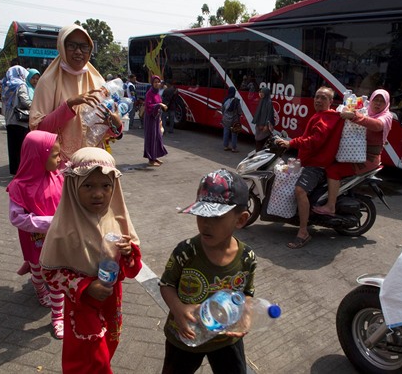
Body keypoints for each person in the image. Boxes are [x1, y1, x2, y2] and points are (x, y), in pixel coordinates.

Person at [40, 147, 142, 373]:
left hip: (111, 299)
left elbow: (132, 268)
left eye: (106, 186)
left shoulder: (116, 218)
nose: (98, 194)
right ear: (73, 185)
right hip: (82, 305)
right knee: (91, 358)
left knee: (108, 345)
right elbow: (50, 272)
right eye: (88, 186)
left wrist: (127, 252)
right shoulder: (63, 228)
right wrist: (85, 286)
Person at [159, 169, 256, 374]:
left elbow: (246, 293)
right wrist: (178, 309)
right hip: (185, 337)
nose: (205, 224)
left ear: (240, 220)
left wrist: (245, 315)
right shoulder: (186, 251)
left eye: (216, 217)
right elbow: (166, 284)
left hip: (226, 340)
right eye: (201, 214)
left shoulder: (247, 258)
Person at [29, 23, 123, 165]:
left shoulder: (97, 80)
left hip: (93, 163)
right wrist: (69, 105)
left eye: (84, 47)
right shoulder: (48, 81)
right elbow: (38, 130)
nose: (79, 51)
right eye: (72, 46)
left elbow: (107, 133)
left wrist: (115, 124)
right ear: (62, 46)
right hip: (60, 166)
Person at [6, 130, 65, 339]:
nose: (60, 160)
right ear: (38, 156)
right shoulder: (19, 186)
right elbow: (16, 218)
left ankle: (58, 316)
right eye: (55, 156)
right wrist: (49, 222)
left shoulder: (58, 176)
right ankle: (39, 289)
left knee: (57, 277)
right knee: (38, 272)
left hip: (57, 241)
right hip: (34, 242)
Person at [276, 87, 345, 249]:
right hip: (306, 160)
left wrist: (291, 143)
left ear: (330, 102)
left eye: (323, 98)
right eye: (317, 97)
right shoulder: (320, 116)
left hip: (316, 165)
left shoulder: (327, 118)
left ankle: (303, 232)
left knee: (300, 190)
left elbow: (315, 141)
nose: (319, 100)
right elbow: (309, 139)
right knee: (284, 173)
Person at [313, 89, 393, 216]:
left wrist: (354, 116)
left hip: (367, 159)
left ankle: (330, 206)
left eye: (381, 101)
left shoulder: (386, 117)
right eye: (375, 100)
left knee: (334, 170)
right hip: (354, 154)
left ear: (387, 104)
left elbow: (377, 125)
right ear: (371, 100)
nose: (378, 104)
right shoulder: (366, 111)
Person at [2, 65, 31, 174]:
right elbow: (24, 100)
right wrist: (35, 106)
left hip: (9, 120)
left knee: (12, 146)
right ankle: (21, 171)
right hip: (19, 120)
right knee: (21, 147)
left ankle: (14, 170)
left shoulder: (7, 84)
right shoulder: (20, 85)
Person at [143, 75, 168, 167]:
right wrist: (159, 104)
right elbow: (149, 106)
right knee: (151, 138)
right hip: (150, 119)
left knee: (157, 137)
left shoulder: (157, 93)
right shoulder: (149, 93)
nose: (157, 84)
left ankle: (155, 156)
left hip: (156, 118)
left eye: (158, 82)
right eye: (155, 82)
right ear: (152, 83)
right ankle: (151, 159)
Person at [252, 87, 274, 151]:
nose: (260, 93)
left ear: (266, 93)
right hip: (259, 126)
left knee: (263, 143)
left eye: (262, 92)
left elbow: (269, 114)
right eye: (260, 92)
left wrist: (266, 125)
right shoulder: (261, 101)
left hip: (264, 127)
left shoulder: (269, 102)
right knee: (258, 143)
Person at [221, 87, 242, 153]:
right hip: (234, 120)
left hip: (226, 119)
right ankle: (233, 148)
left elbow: (222, 110)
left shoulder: (225, 100)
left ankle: (225, 146)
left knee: (226, 132)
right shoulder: (236, 101)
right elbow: (239, 111)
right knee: (234, 133)